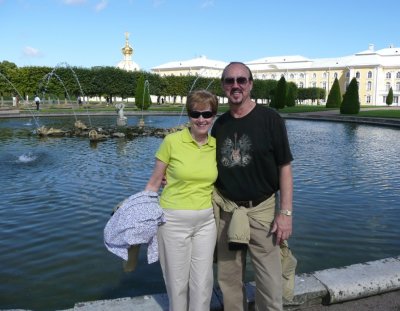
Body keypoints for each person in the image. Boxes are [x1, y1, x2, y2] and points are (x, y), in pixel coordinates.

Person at [211, 62, 294, 311]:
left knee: (269, 280)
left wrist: (286, 213)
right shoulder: (219, 124)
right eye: (229, 81)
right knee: (228, 278)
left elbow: (285, 167)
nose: (235, 85)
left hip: (262, 212)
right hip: (227, 211)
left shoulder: (270, 119)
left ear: (250, 84)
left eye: (241, 80)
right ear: (223, 86)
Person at [145, 89, 219, 311]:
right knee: (177, 283)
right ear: (189, 115)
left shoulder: (217, 145)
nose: (201, 119)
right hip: (172, 221)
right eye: (195, 114)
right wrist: (136, 210)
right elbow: (154, 182)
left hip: (207, 222)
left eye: (207, 114)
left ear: (214, 115)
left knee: (203, 282)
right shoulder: (172, 141)